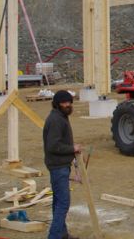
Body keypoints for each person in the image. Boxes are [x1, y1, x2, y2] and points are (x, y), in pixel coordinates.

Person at [43, 90, 81, 239]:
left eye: (69, 102)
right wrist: (72, 149)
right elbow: (53, 146)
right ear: (57, 104)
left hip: (61, 165)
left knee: (58, 201)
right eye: (64, 102)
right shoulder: (56, 120)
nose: (68, 105)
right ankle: (54, 236)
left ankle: (62, 234)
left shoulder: (61, 117)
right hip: (58, 167)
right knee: (63, 203)